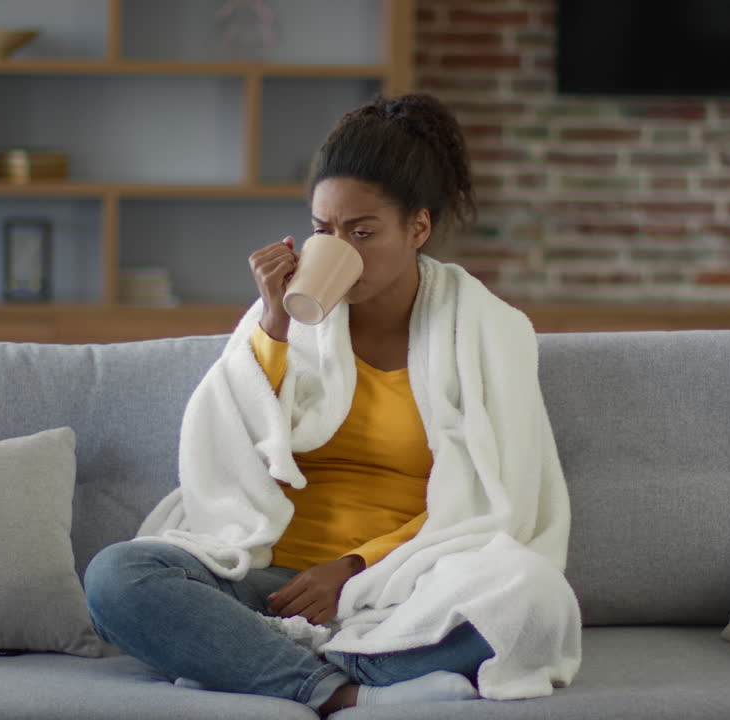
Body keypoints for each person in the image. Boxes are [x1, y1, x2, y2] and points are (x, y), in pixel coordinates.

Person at [84, 93, 580, 717]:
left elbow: (490, 502)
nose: (339, 247)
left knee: (534, 596)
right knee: (116, 577)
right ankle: (345, 690)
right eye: (324, 230)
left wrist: (351, 567)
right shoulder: (282, 319)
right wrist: (272, 324)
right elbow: (227, 449)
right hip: (268, 579)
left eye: (362, 232)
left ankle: (251, 662)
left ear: (418, 228)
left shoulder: (488, 331)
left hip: (407, 582)